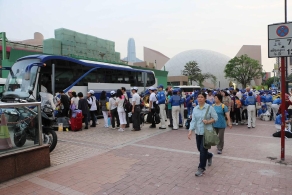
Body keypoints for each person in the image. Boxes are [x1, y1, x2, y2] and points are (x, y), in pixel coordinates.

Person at [188, 92, 218, 177]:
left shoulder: (209, 108)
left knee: (203, 150)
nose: (200, 99)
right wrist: (190, 130)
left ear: (205, 98)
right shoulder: (195, 109)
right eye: (198, 97)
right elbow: (193, 121)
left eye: (201, 97)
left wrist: (208, 121)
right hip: (198, 132)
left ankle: (201, 168)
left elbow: (215, 118)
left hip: (206, 132)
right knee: (200, 149)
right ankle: (209, 155)